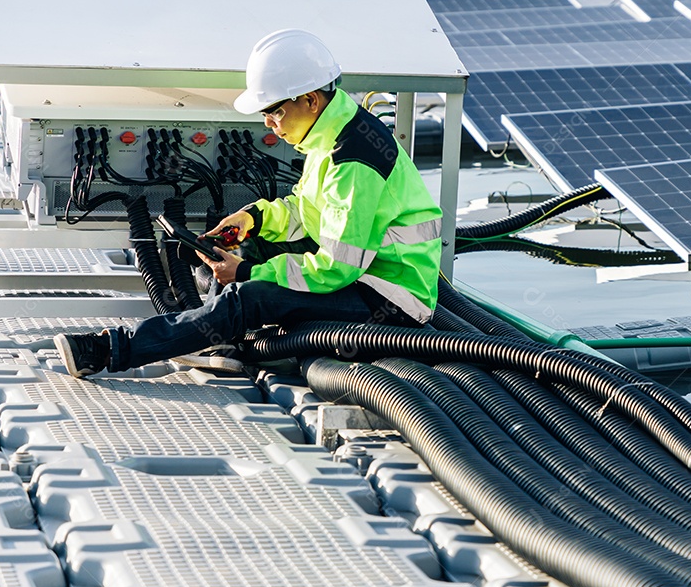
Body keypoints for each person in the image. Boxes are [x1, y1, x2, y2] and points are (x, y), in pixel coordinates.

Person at [54, 29, 443, 378]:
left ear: (309, 100)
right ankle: (220, 340)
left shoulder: (351, 159)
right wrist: (253, 219)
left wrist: (246, 274)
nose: (269, 125)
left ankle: (110, 350)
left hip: (389, 302)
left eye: (274, 111)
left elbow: (337, 268)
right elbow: (306, 213)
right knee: (244, 250)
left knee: (249, 296)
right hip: (365, 275)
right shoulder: (332, 131)